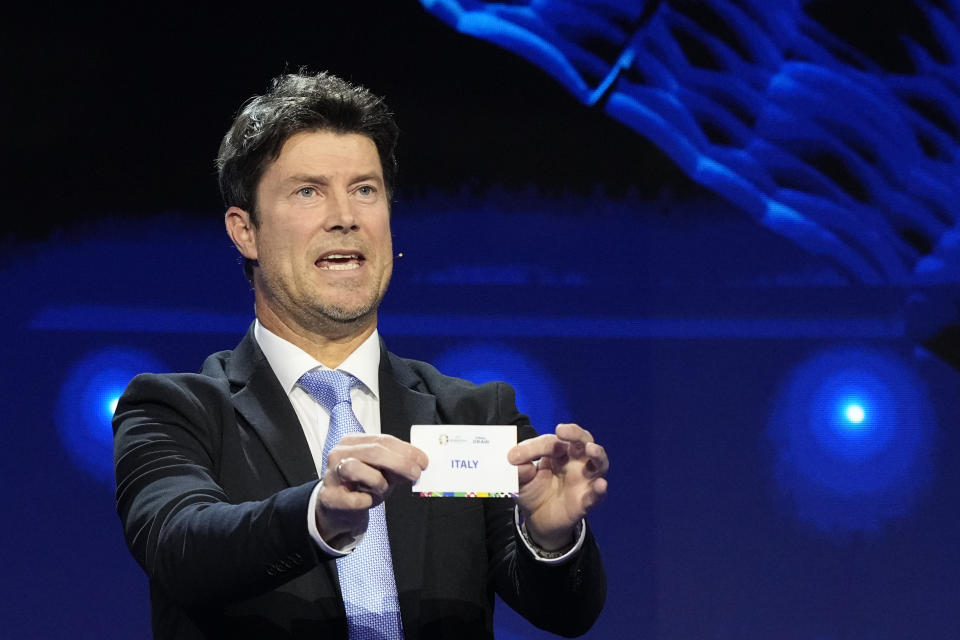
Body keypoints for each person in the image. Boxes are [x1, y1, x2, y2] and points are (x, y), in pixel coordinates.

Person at [114, 70, 609, 640]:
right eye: (309, 191)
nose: (345, 216)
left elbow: (567, 613)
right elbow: (182, 547)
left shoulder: (473, 414)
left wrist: (549, 538)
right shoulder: (176, 410)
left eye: (365, 189)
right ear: (244, 231)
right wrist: (318, 517)